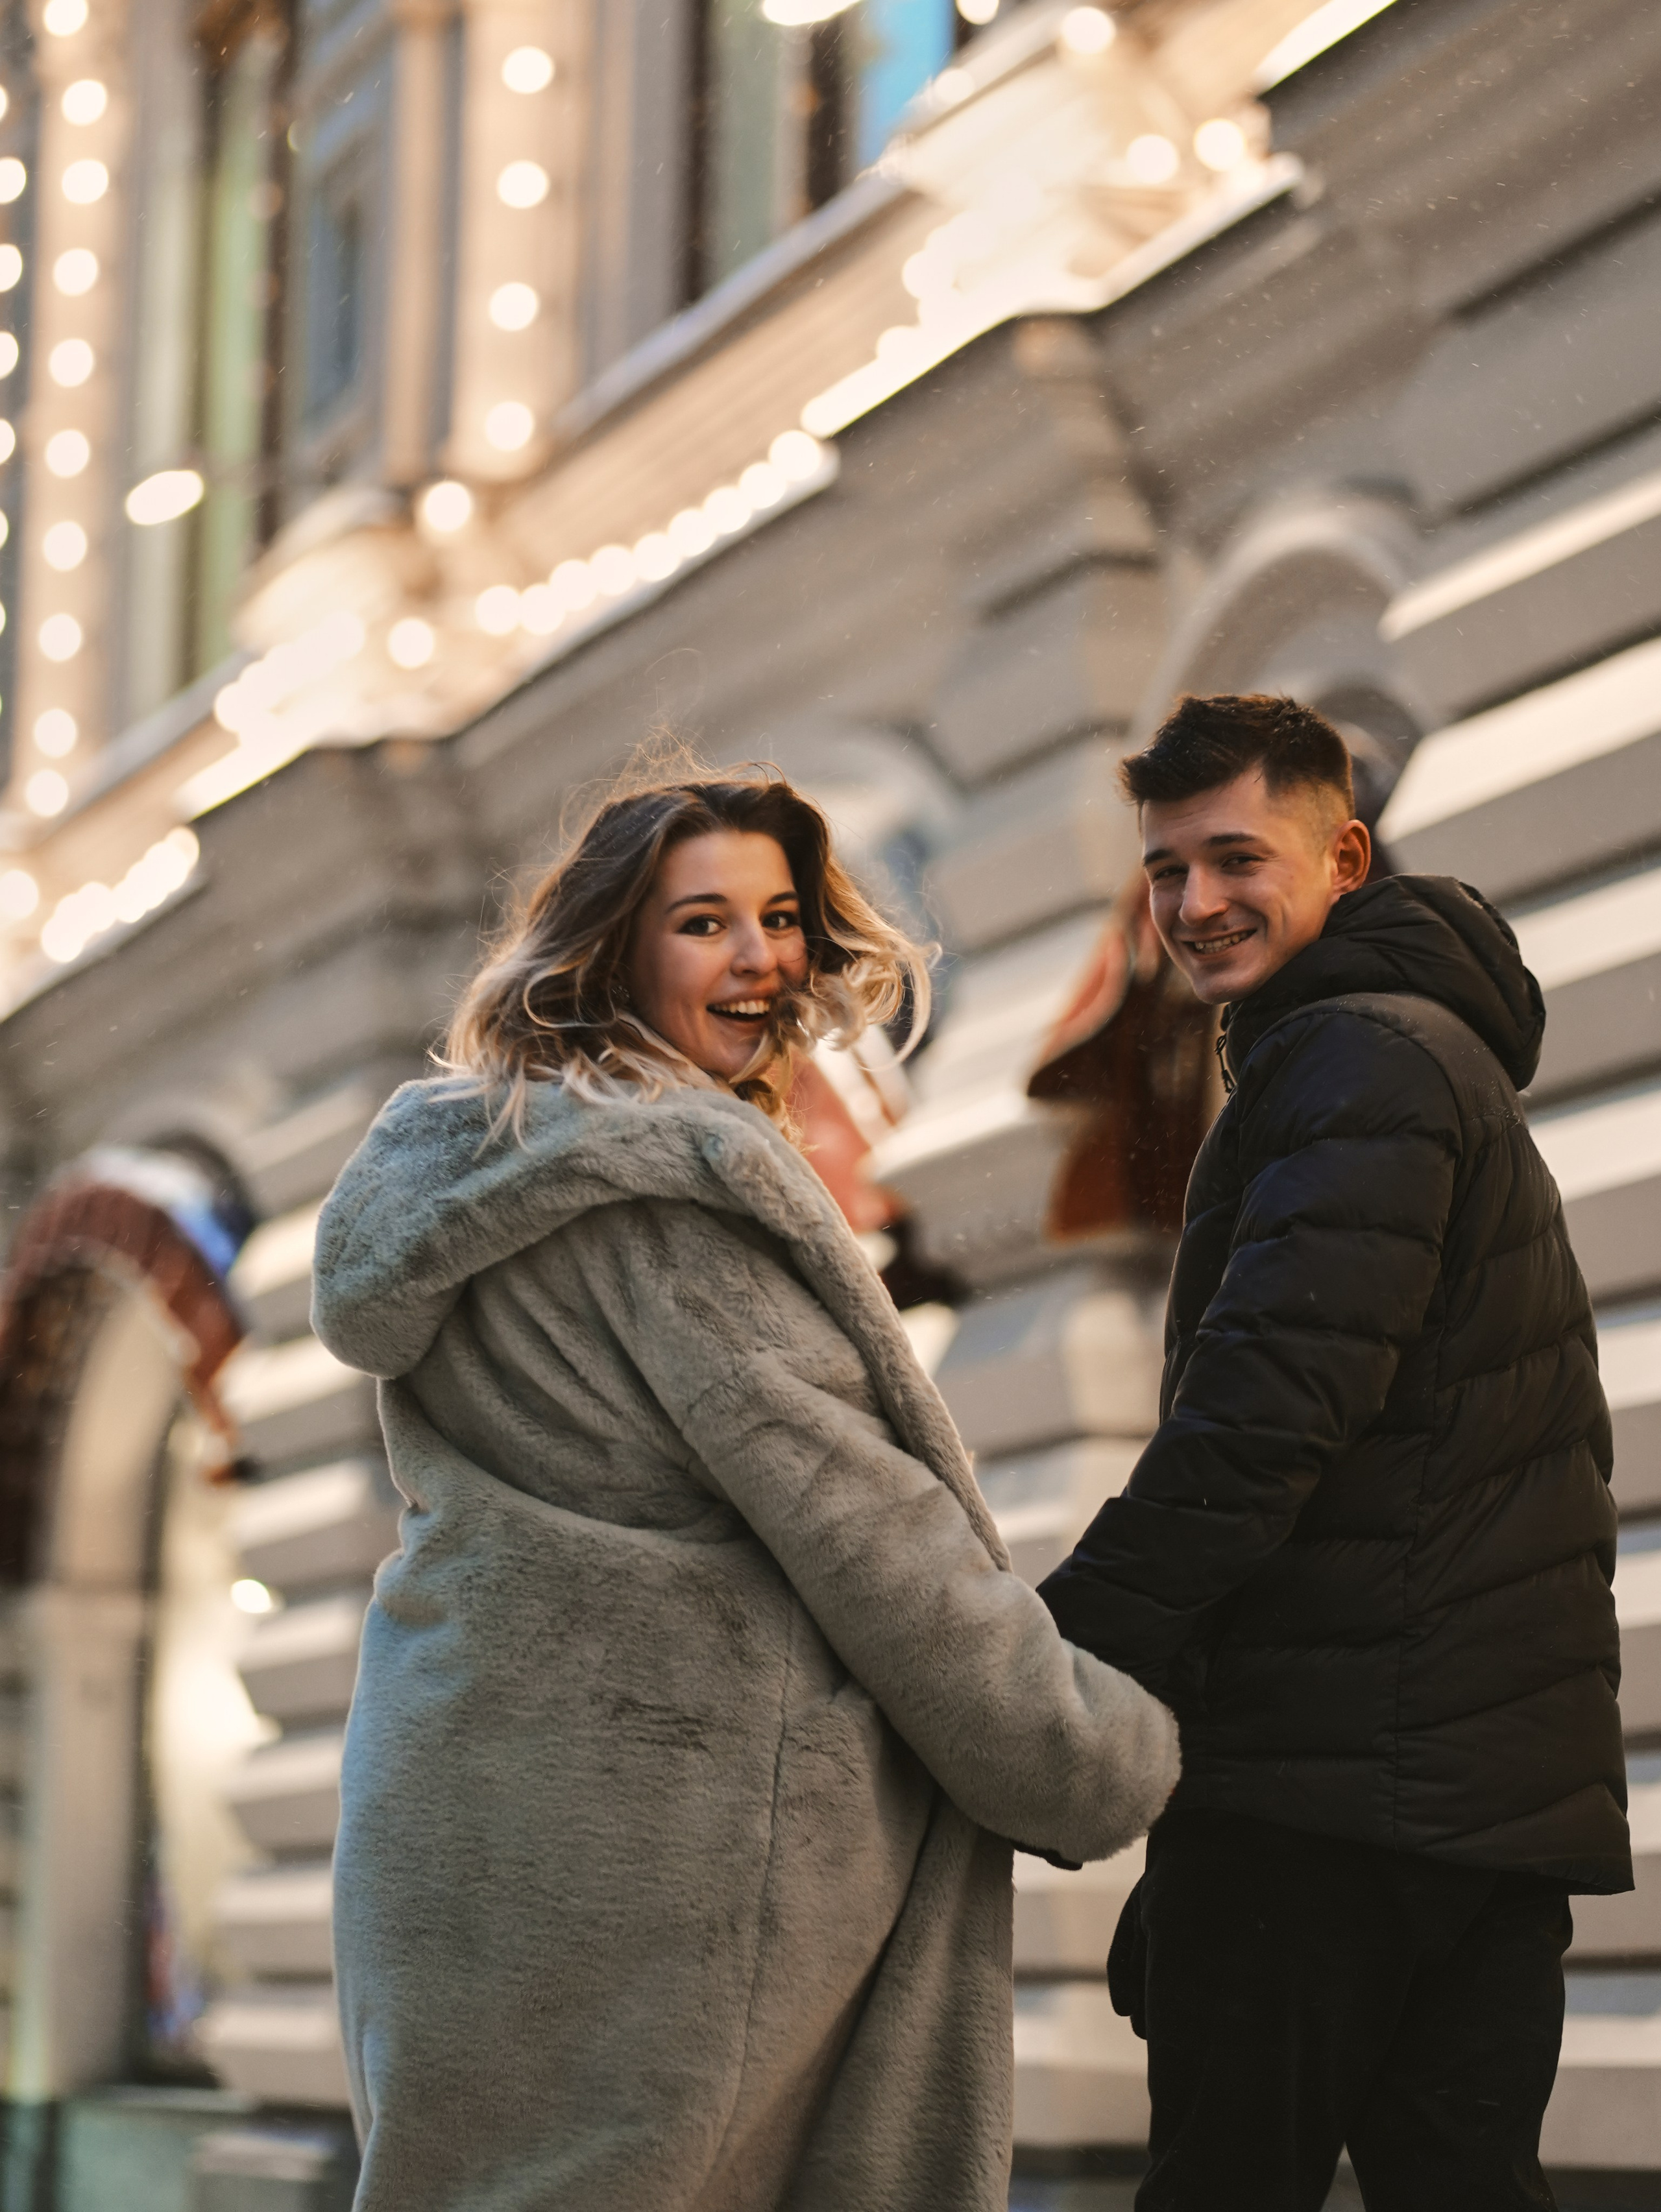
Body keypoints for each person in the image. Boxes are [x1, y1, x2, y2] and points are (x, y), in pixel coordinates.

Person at [311, 765, 1180, 2212]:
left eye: (777, 917)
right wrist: (1086, 1748)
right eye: (703, 922)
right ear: (611, 949)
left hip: (465, 1806)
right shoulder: (667, 1202)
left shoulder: (477, 1167)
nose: (761, 957)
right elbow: (864, 1527)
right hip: (661, 1842)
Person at [1039, 694, 1631, 2212]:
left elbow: (1261, 1416)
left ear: (1342, 856)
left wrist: (1041, 1655)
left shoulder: (1352, 1062)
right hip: (1474, 1796)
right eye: (1166, 872)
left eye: (1235, 857)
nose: (1194, 904)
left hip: (1329, 1794)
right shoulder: (1415, 1057)